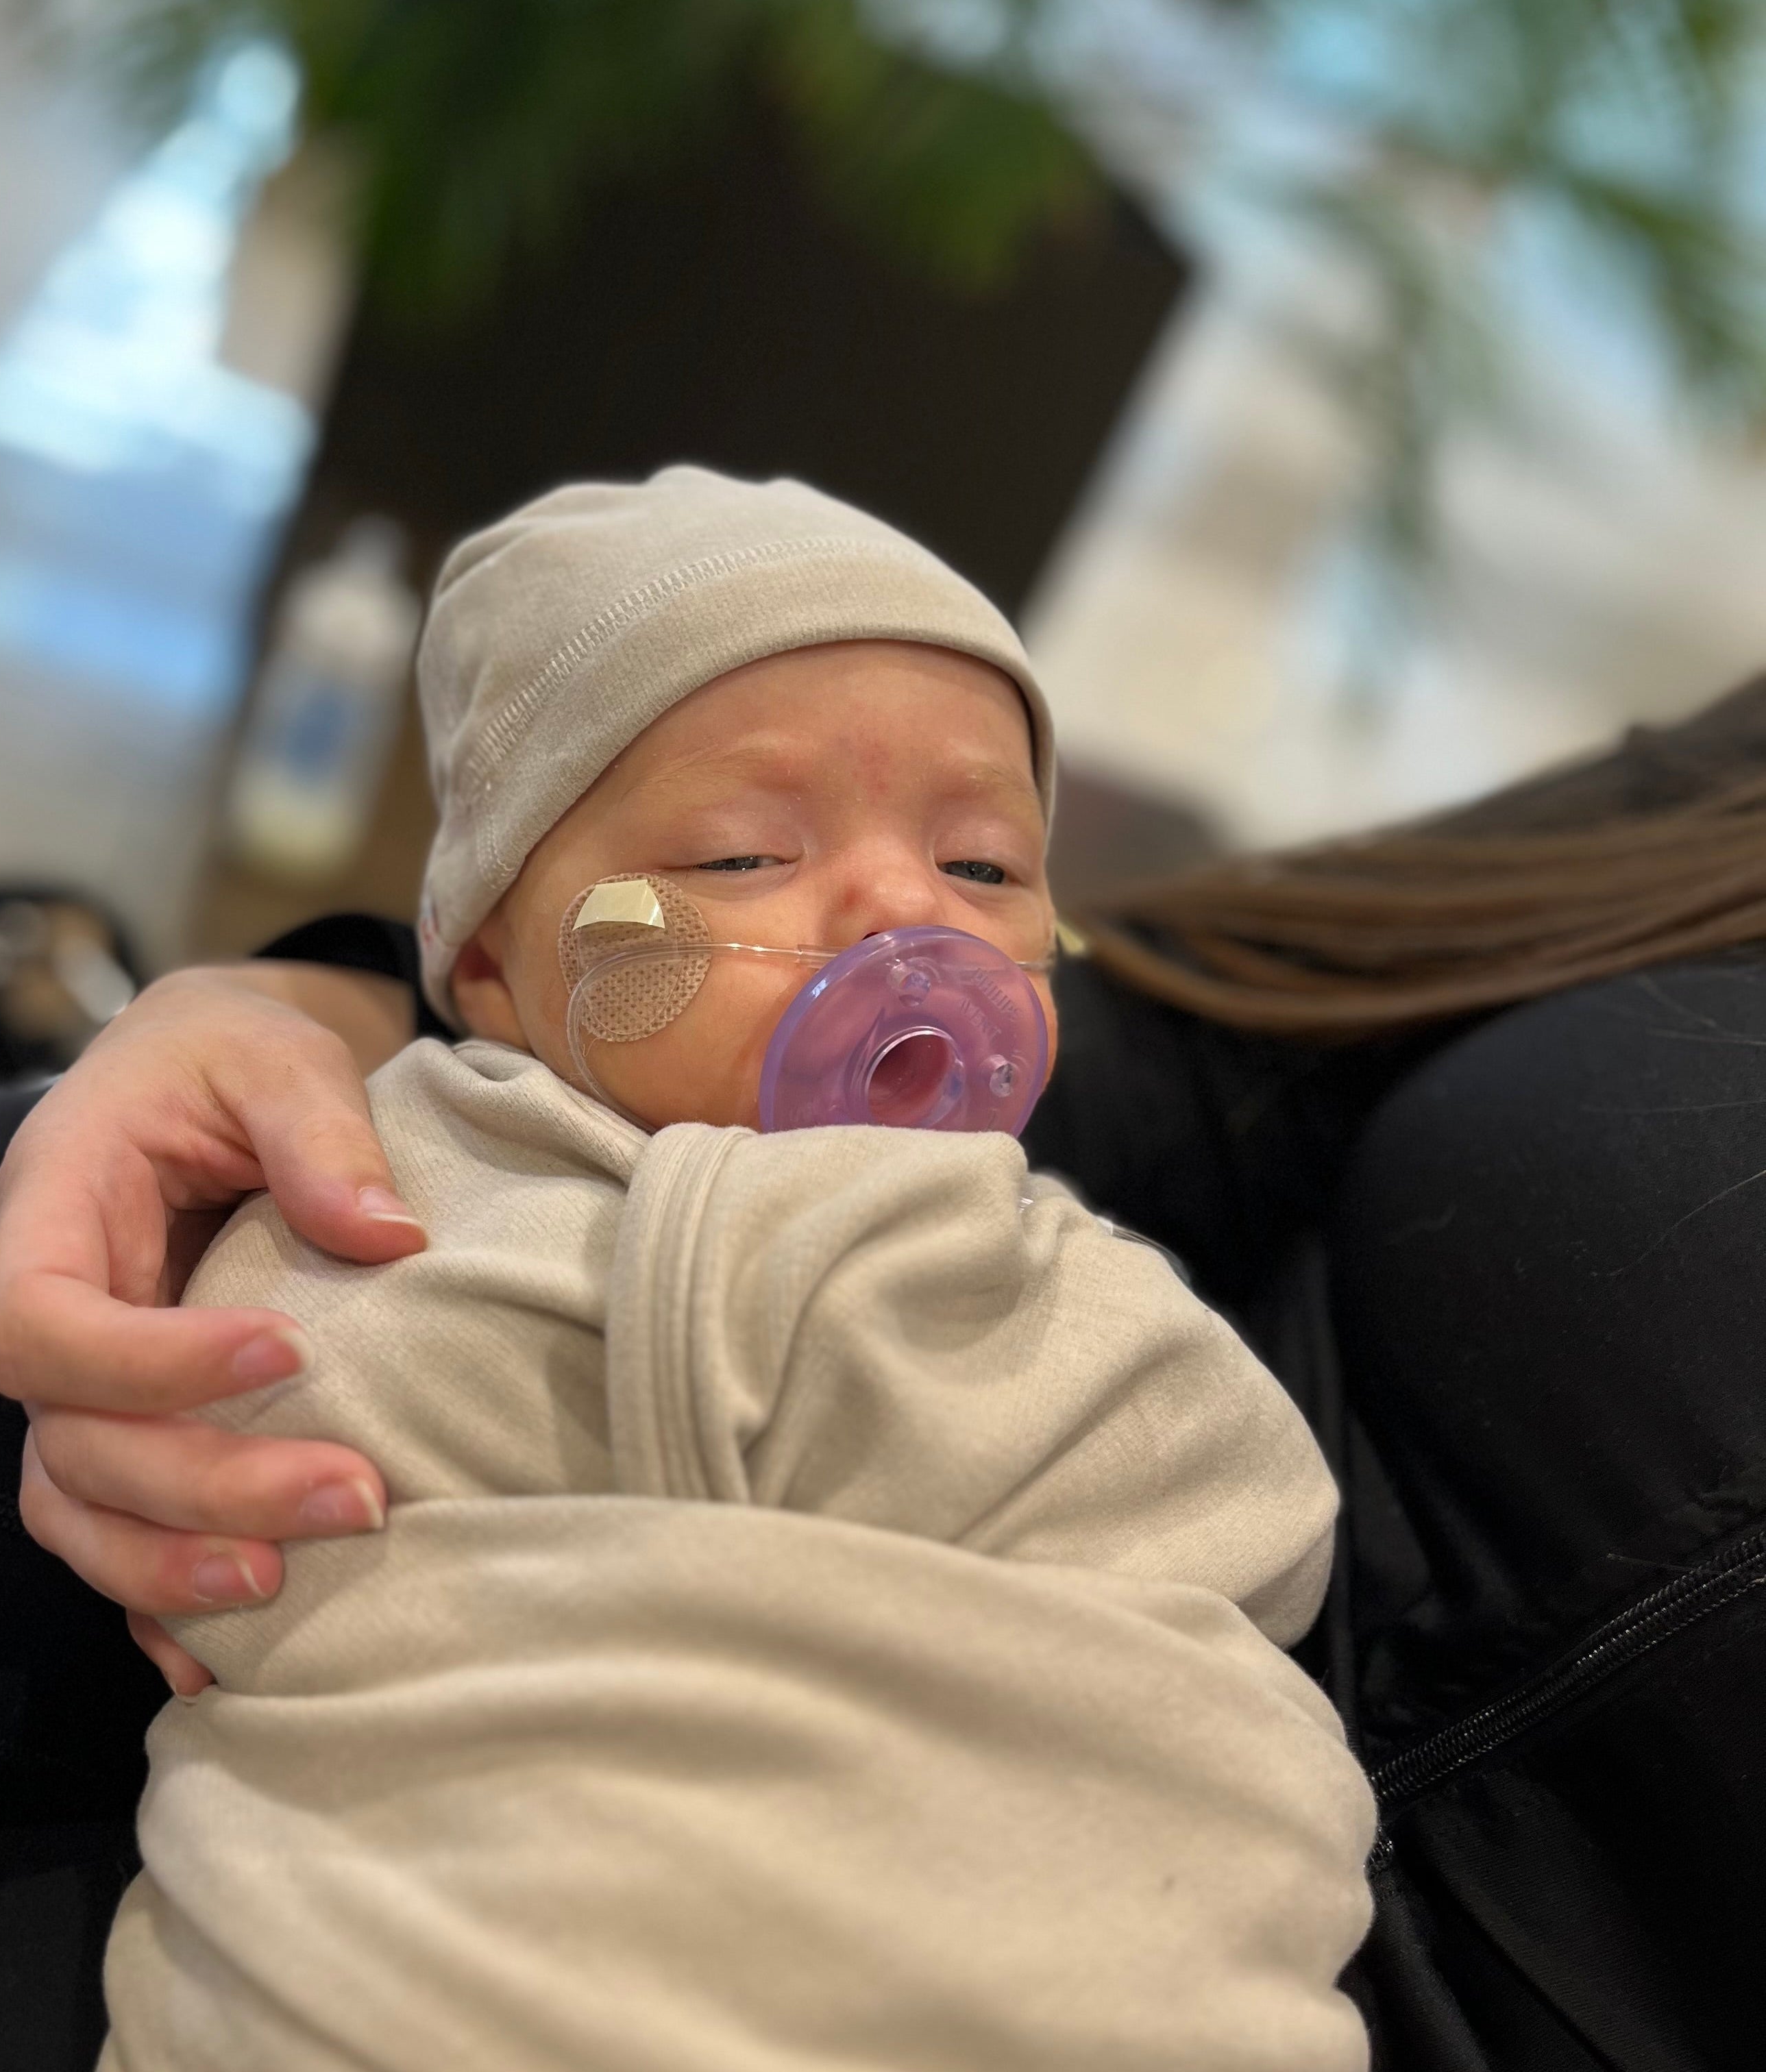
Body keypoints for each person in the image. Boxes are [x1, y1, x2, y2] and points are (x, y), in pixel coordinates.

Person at [97, 468, 1374, 2071]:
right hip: (433, 1964)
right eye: (739, 859)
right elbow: (258, 1473)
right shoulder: (402, 1198)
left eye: (983, 868)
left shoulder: (1060, 1281)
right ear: (489, 962)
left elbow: (1239, 1546)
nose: (907, 907)